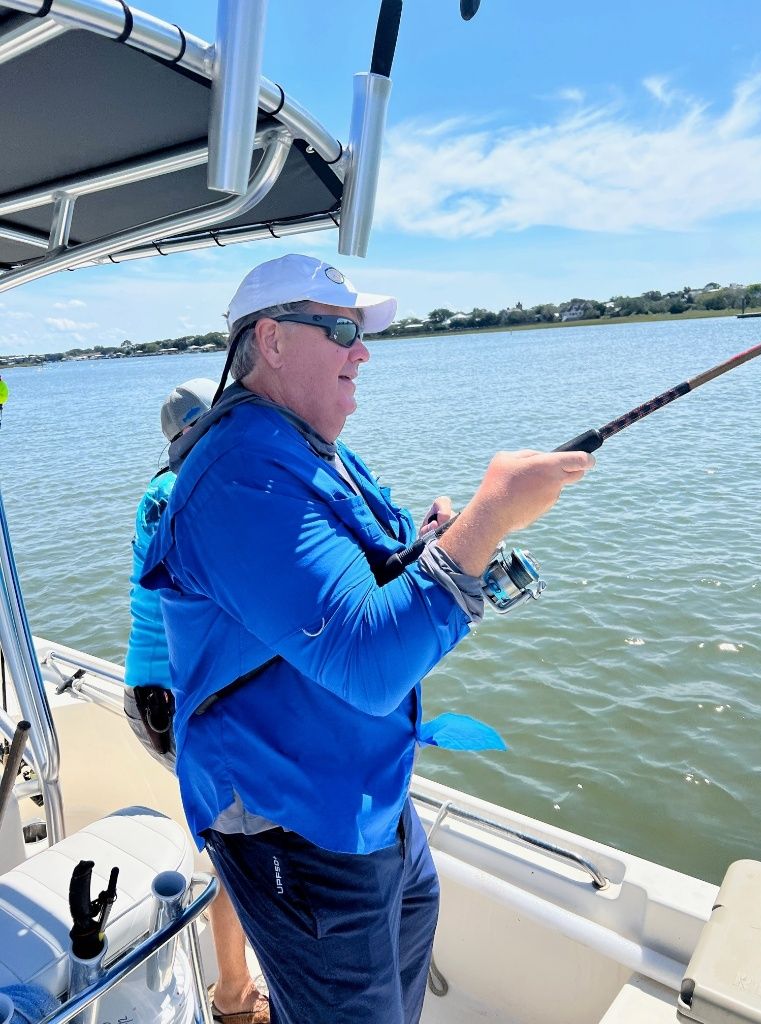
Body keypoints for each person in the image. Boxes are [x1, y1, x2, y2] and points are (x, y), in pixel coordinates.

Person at [140, 254, 595, 1024]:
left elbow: (367, 572)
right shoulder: (236, 478)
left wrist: (435, 543)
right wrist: (491, 515)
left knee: (397, 970)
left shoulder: (316, 449)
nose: (364, 351)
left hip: (366, 789)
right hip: (293, 820)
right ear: (274, 340)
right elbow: (366, 660)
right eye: (344, 330)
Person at [124, 377, 270, 1024]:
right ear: (198, 433)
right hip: (176, 702)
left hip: (160, 693)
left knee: (237, 831)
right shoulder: (178, 493)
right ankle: (234, 997)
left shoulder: (166, 488)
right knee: (238, 843)